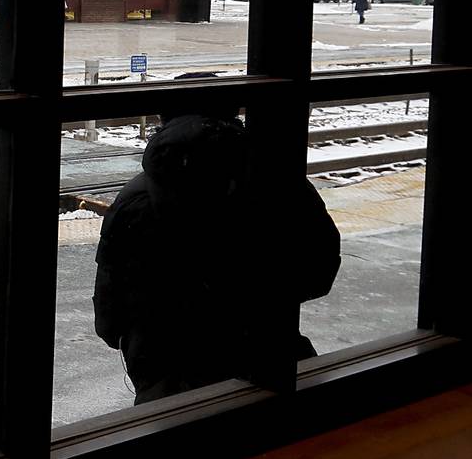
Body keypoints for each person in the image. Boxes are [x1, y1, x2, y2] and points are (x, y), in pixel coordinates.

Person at [93, 108, 340, 405]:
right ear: (234, 113)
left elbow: (109, 312)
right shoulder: (278, 182)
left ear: (163, 119)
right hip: (264, 356)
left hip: (165, 369)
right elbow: (320, 271)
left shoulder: (133, 199)